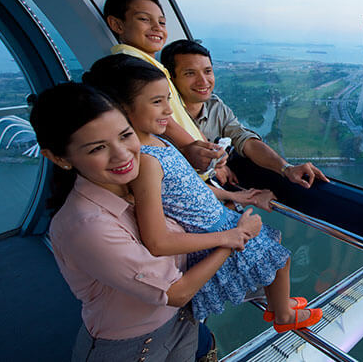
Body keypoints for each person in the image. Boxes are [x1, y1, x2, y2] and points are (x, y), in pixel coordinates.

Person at [83, 54, 322, 332]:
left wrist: (235, 196)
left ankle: (278, 303)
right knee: (280, 258)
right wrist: (233, 236)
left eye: (168, 100)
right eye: (157, 102)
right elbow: (156, 242)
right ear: (121, 108)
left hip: (219, 221)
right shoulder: (146, 162)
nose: (169, 111)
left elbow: (188, 190)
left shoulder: (158, 141)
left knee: (274, 246)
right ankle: (283, 315)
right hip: (209, 236)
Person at [30, 83, 243, 361]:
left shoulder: (140, 181)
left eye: (125, 135)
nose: (122, 154)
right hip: (132, 347)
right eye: (97, 148)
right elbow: (175, 293)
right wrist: (232, 239)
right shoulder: (87, 226)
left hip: (183, 321)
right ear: (59, 158)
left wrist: (231, 198)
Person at [160, 39, 329, 192]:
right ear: (171, 79)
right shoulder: (161, 116)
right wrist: (213, 168)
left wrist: (286, 168)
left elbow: (245, 140)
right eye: (190, 73)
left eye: (207, 71)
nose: (203, 81)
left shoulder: (216, 107)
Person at [103, 0, 221, 172]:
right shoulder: (132, 66)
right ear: (117, 25)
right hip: (191, 163)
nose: (157, 27)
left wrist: (207, 148)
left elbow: (181, 116)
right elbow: (167, 123)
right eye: (144, 19)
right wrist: (195, 151)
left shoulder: (151, 65)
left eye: (162, 22)